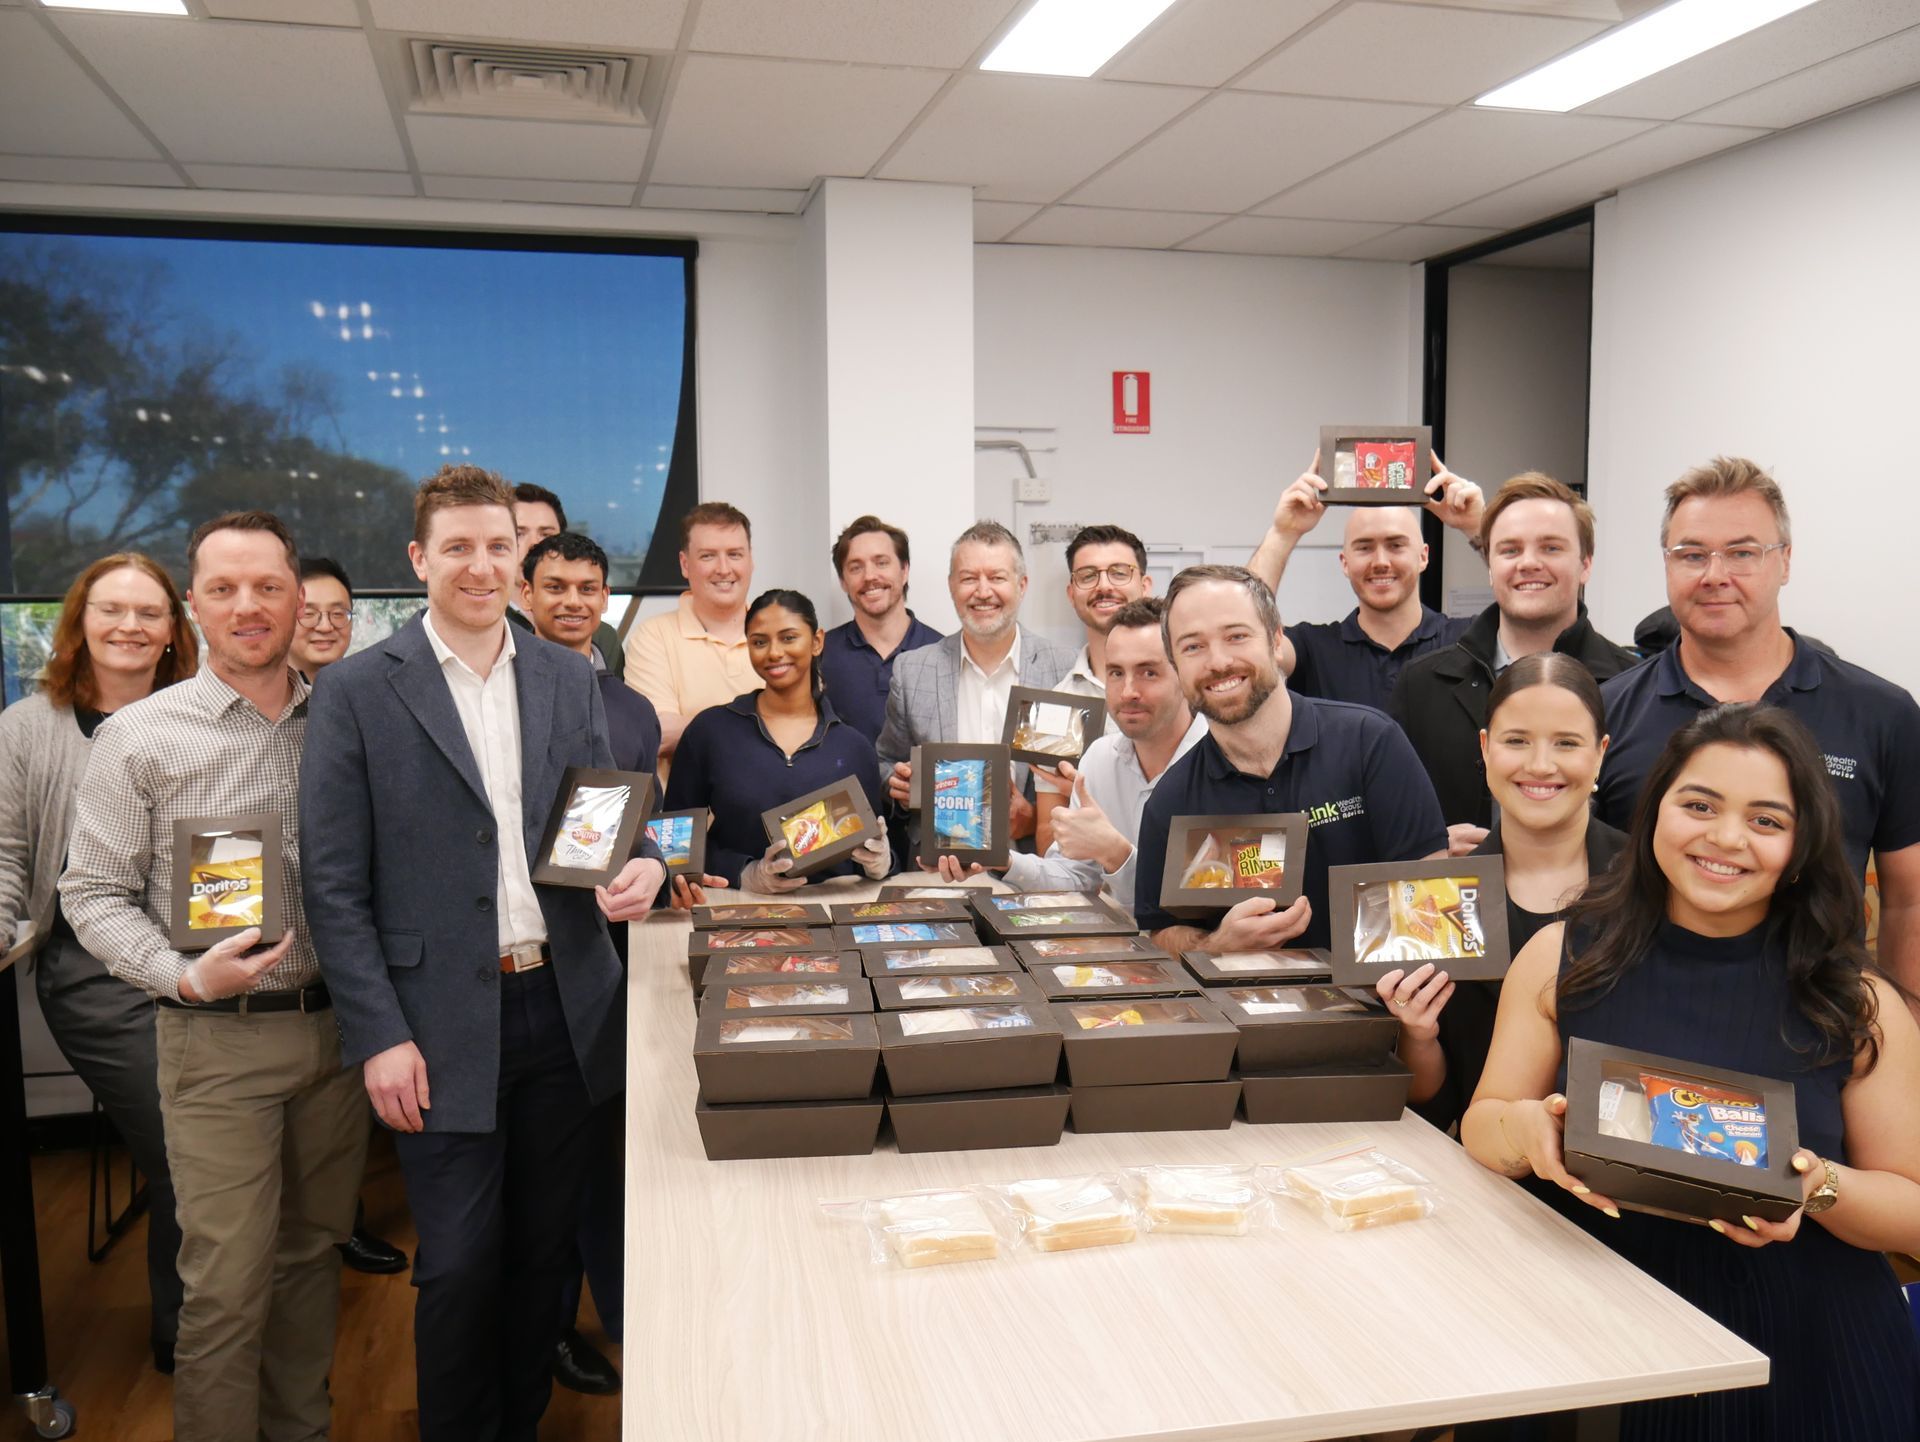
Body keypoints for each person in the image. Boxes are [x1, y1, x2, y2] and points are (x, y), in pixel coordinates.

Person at [301, 465, 667, 1442]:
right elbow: (333, 886)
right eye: (456, 546)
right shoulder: (356, 692)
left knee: (543, 1253)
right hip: (435, 1026)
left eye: (496, 546)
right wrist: (379, 1032)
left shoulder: (564, 673)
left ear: (519, 556)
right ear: (420, 558)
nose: (478, 564)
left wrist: (643, 861)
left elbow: (602, 821)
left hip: (566, 1004)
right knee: (460, 1261)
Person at [1463, 703, 1920, 1439]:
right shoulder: (1560, 955)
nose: (1726, 838)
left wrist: (1815, 1187)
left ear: (1802, 848)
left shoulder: (1856, 1001)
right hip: (1591, 1331)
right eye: (1699, 805)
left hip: (1803, 1351)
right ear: (1653, 814)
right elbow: (1482, 1125)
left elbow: (1913, 1208)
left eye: (1767, 821)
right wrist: (1522, 1129)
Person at [61, 512, 368, 1442]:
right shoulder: (140, 736)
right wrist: (182, 978)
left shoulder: (351, 719)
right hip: (214, 1043)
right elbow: (93, 893)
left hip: (342, 1036)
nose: (249, 606)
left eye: (267, 587)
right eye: (224, 589)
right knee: (227, 1286)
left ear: (297, 600)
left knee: (314, 1261)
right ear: (194, 605)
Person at [1597, 457, 1920, 1003]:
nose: (1714, 574)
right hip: (1638, 1019)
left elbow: (1909, 901)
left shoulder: (1881, 714)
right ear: (1667, 565)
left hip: (1820, 1022)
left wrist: (1907, 1031)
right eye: (1692, 555)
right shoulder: (1606, 713)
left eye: (1743, 553)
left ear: (1786, 561)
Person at [0, 553, 195, 1376]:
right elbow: (8, 851)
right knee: (189, 1149)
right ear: (78, 621)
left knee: (222, 1149)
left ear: (172, 630)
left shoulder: (197, 713)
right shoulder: (27, 727)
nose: (129, 626)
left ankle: (229, 1320)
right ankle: (191, 1337)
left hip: (201, 961)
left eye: (148, 612)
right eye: (109, 609)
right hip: (97, 976)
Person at [517, 528, 669, 1395]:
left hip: (615, 944)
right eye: (557, 585)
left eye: (589, 587)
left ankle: (620, 1309)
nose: (574, 601)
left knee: (611, 1140)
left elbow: (642, 824)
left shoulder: (632, 708)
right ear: (527, 593)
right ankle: (553, 1328)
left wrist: (652, 864)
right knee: (550, 1161)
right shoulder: (503, 691)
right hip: (532, 954)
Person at [1133, 565, 1447, 954]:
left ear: (1276, 640)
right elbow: (1162, 933)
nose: (1218, 661)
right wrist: (1218, 945)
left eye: (1236, 636)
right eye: (1193, 646)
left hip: (1381, 1008)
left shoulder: (1370, 744)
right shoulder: (1170, 801)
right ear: (1176, 664)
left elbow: (1433, 896)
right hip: (1241, 1014)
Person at [1381, 653, 1627, 1136]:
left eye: (1566, 743)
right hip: (1489, 1173)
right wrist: (1417, 1035)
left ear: (1600, 752)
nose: (1540, 765)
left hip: (1619, 1187)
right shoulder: (1433, 902)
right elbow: (1433, 1101)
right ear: (1486, 747)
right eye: (1516, 741)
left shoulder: (1650, 882)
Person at [286, 555, 413, 1279]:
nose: (327, 624)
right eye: (312, 611)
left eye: (341, 612)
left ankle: (341, 1224)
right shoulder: (275, 707)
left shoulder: (372, 694)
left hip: (366, 932)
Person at [1391, 473, 1637, 840]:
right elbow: (1395, 824)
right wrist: (1430, 848)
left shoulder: (1632, 687)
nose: (1528, 563)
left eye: (1551, 548)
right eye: (1510, 550)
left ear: (1586, 563)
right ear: (1490, 565)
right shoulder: (1420, 686)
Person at [936, 598, 1206, 910]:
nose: (1128, 690)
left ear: (1186, 675)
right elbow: (1075, 876)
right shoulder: (1099, 758)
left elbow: (1199, 907)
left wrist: (1115, 853)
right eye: (1116, 673)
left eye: (1148, 673)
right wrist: (1001, 859)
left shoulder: (1223, 761)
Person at [664, 589, 891, 891]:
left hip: (834, 918)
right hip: (734, 916)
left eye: (788, 638)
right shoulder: (710, 731)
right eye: (759, 641)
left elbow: (875, 844)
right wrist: (744, 873)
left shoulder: (853, 747)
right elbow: (672, 847)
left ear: (817, 641)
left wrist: (881, 862)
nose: (773, 652)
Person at [876, 520, 1075, 863]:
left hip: (1033, 872)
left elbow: (1081, 783)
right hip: (937, 873)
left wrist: (1033, 819)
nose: (983, 592)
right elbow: (885, 761)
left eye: (997, 578)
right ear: (952, 586)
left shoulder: (1062, 669)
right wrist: (897, 782)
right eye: (969, 578)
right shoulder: (913, 671)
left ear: (1022, 585)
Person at [1249, 451, 1485, 712]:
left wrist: (1478, 526)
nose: (1381, 561)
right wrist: (1283, 533)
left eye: (1396, 545)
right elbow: (1241, 641)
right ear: (1345, 563)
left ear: (1423, 556)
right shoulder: (1314, 649)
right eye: (1364, 547)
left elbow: (1532, 604)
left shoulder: (1468, 641)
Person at [1032, 525, 1155, 849]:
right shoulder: (1057, 705)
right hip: (1093, 891)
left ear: (1145, 585)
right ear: (1072, 593)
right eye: (1088, 576)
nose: (1103, 586)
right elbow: (1048, 834)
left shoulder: (1187, 688)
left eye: (1119, 573)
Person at [623, 500, 757, 766]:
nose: (723, 569)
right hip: (687, 806)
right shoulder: (653, 636)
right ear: (685, 564)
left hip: (775, 806)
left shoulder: (776, 632)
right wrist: (764, 730)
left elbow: (802, 726)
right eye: (708, 556)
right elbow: (661, 735)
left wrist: (692, 725)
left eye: (735, 554)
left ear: (751, 560)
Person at [817, 514, 942, 745]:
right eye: (856, 568)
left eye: (881, 563)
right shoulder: (821, 654)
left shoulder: (942, 652)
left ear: (904, 571)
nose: (870, 576)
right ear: (843, 581)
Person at [509, 483, 621, 671]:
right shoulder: (488, 629)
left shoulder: (603, 636)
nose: (534, 544)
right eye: (519, 534)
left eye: (546, 533)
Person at [290, 556, 355, 681]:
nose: (325, 627)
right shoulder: (252, 697)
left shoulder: (375, 694)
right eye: (308, 614)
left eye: (337, 614)